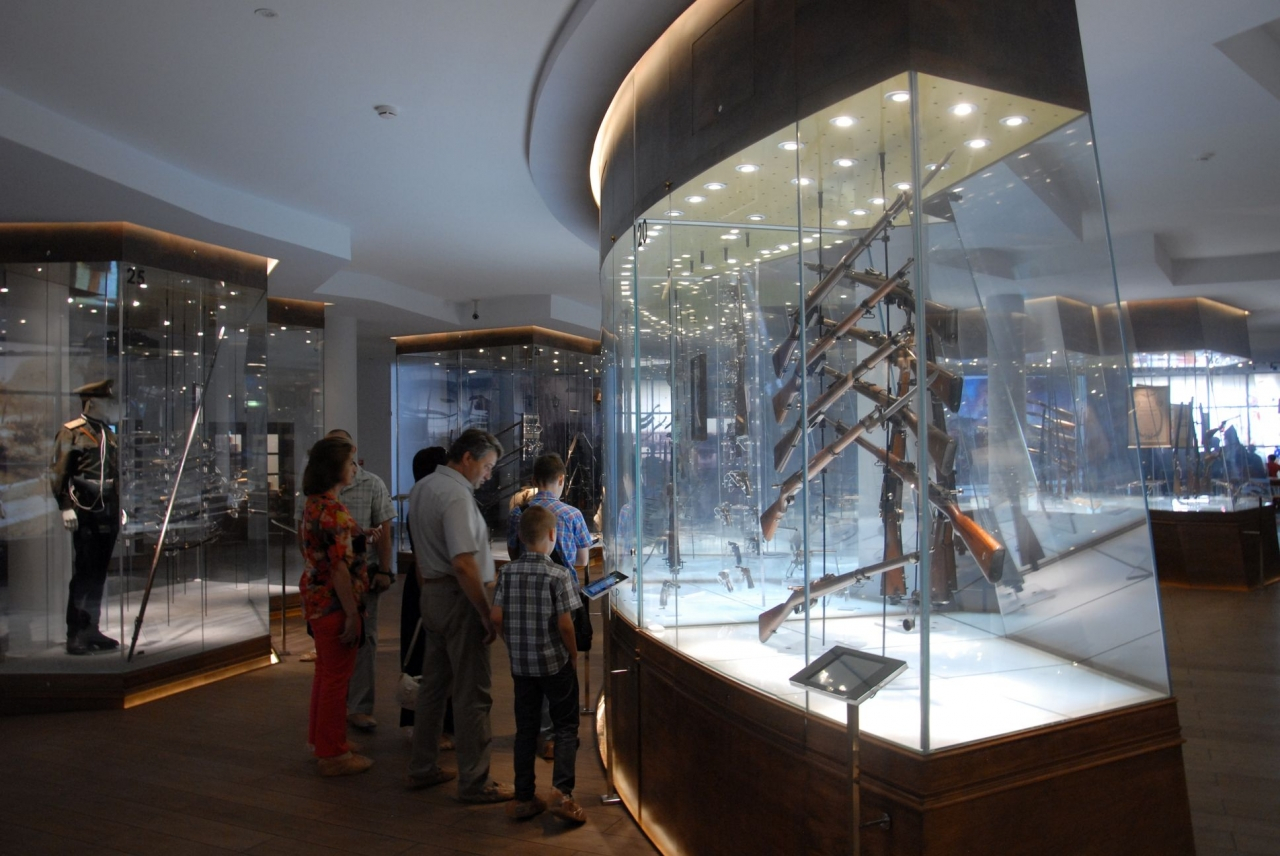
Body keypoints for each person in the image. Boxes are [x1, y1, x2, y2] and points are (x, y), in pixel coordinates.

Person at [405, 428, 514, 803]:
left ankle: (422, 766)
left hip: (433, 595)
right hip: (459, 599)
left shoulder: (424, 487)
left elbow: (422, 554)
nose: (488, 474)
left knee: (433, 689)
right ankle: (475, 781)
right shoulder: (455, 495)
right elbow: (464, 563)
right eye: (487, 466)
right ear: (467, 458)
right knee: (473, 694)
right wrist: (484, 612)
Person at [492, 504, 586, 823]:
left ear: (520, 536)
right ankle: (562, 794)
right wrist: (573, 654)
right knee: (565, 726)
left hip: (522, 666)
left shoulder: (507, 573)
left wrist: (512, 643)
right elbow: (565, 624)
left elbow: (496, 617)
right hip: (555, 663)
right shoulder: (559, 574)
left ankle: (524, 797)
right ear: (552, 535)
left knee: (526, 729)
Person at [506, 453, 594, 757]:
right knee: (559, 663)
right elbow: (583, 560)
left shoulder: (519, 513)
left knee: (533, 661)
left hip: (526, 595)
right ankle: (557, 733)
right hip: (563, 592)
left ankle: (535, 732)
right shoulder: (571, 514)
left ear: (534, 480)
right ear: (561, 479)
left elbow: (513, 552)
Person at [299, 435, 372, 777]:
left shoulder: (315, 505)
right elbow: (339, 568)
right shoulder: (333, 511)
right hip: (334, 603)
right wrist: (352, 613)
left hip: (317, 598)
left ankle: (323, 740)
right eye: (349, 463)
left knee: (325, 673)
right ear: (335, 469)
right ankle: (333, 753)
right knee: (336, 679)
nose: (354, 468)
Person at [320, 429, 395, 733]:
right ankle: (333, 718)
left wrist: (384, 570)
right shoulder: (324, 501)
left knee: (364, 641)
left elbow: (383, 530)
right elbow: (330, 550)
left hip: (360, 577)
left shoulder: (371, 484)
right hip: (335, 580)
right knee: (334, 649)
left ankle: (356, 707)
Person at [50, 379, 122, 656]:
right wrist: (65, 506)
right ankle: (76, 632)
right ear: (91, 402)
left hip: (107, 509)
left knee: (99, 573)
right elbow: (59, 472)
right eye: (106, 401)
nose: (110, 406)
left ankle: (92, 628)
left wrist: (119, 506)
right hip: (85, 509)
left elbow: (114, 473)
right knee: (84, 572)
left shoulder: (108, 434)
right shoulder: (71, 432)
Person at [400, 445, 453, 739]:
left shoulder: (418, 501)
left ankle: (420, 721)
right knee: (429, 655)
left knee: (421, 652)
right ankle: (432, 725)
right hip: (430, 583)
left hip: (422, 584)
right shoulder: (432, 502)